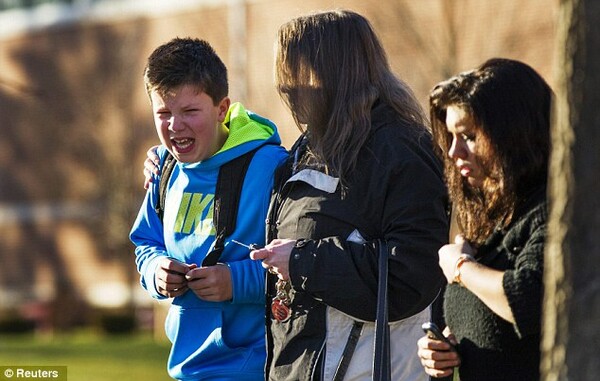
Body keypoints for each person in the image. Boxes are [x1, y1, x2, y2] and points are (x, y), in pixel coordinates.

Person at [249, 10, 449, 381]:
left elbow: (412, 276)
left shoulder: (401, 151)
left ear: (336, 73)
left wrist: (302, 262)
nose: (287, 89)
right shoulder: (310, 146)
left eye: (298, 75)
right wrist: (166, 160)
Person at [129, 37, 287, 381]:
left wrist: (237, 282)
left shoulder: (272, 167)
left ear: (222, 109)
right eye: (163, 113)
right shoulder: (163, 169)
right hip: (185, 368)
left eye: (189, 111)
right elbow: (145, 244)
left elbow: (309, 263)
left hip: (259, 367)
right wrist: (156, 271)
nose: (175, 125)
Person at [416, 58, 552, 381]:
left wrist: (461, 269)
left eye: (469, 137)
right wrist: (443, 354)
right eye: (450, 137)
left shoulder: (553, 210)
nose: (453, 152)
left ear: (514, 134)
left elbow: (524, 300)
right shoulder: (492, 222)